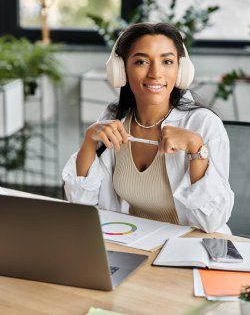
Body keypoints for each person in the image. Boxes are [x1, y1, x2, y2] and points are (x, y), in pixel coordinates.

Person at [62, 22, 234, 233]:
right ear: (121, 69)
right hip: (134, 243)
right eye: (142, 61)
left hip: (193, 248)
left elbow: (213, 221)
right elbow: (81, 204)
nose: (155, 73)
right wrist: (89, 141)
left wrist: (197, 149)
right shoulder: (114, 118)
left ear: (181, 70)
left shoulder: (203, 124)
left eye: (167, 61)